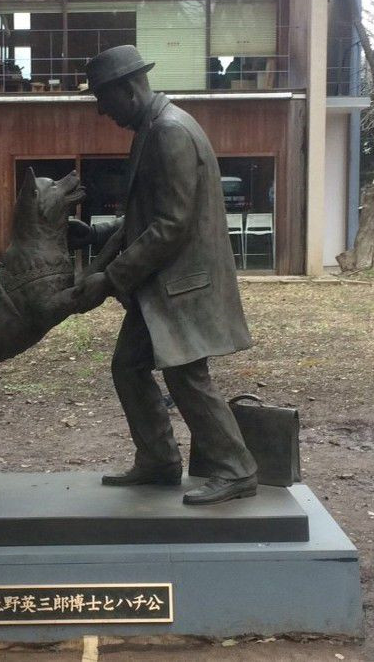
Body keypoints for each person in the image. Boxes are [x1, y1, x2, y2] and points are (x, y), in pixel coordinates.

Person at [69, 45, 258, 505]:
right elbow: (147, 216)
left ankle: (237, 469)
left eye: (104, 99)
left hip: (181, 286)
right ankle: (159, 460)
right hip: (163, 287)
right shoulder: (153, 127)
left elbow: (170, 227)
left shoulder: (170, 131)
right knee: (128, 367)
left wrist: (110, 278)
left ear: (128, 89)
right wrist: (96, 234)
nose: (101, 110)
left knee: (187, 377)